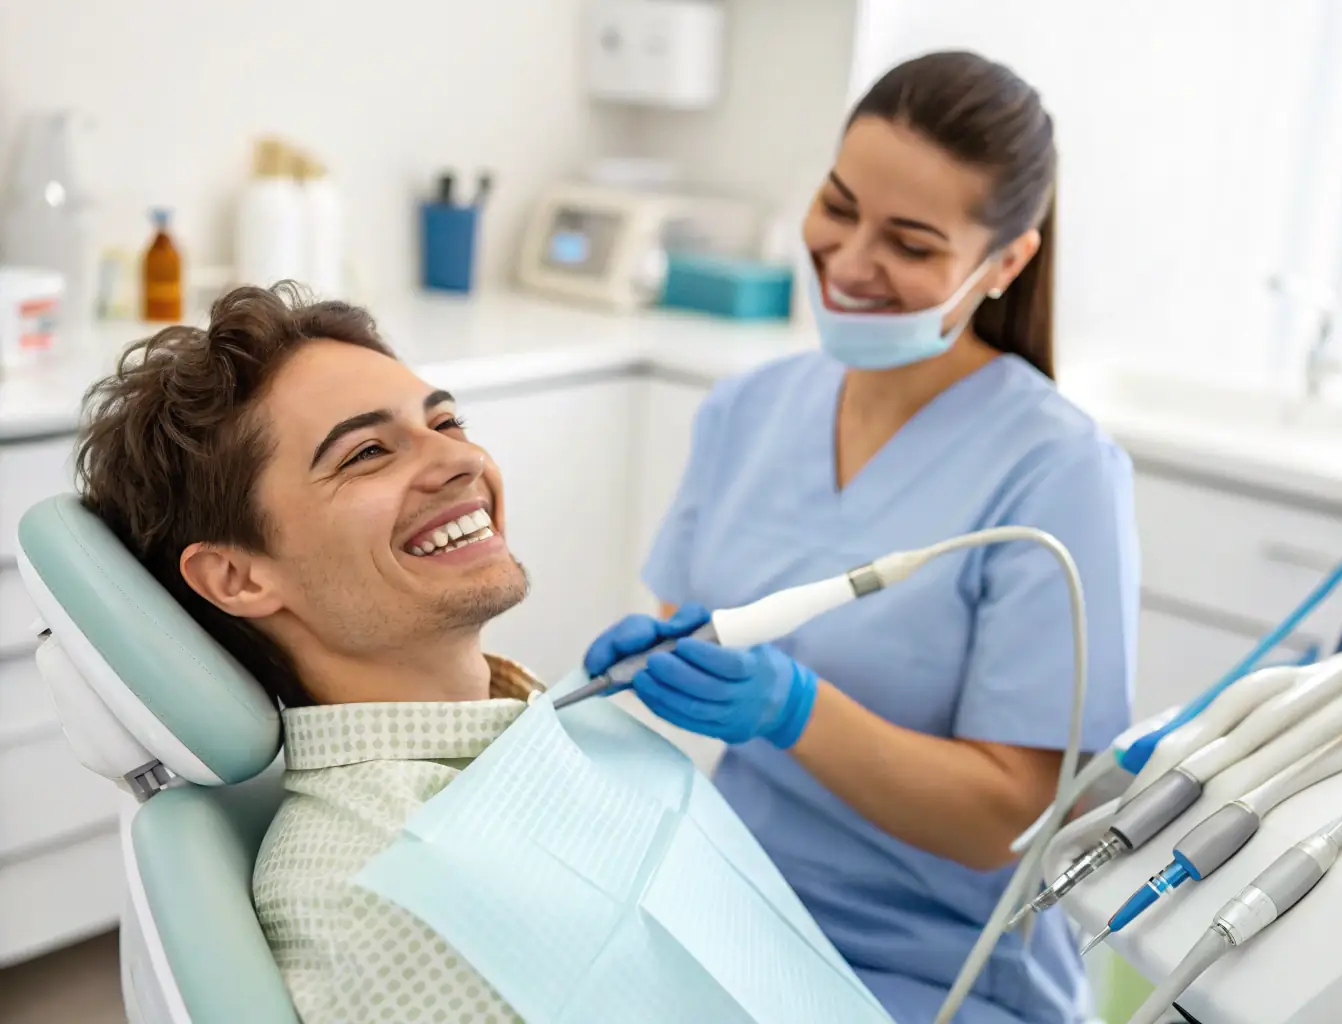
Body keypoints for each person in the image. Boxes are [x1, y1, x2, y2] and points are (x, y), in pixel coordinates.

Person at [585, 51, 1140, 1024]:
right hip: (732, 912)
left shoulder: (1057, 470)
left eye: (911, 243)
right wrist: (671, 659)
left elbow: (1012, 813)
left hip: (935, 974)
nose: (847, 262)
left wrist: (796, 708)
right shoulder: (745, 410)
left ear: (1004, 262)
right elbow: (698, 626)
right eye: (838, 207)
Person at [75, 285, 536, 1022]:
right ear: (238, 576)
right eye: (368, 452)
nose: (460, 460)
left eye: (445, 420)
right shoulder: (386, 900)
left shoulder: (524, 731)